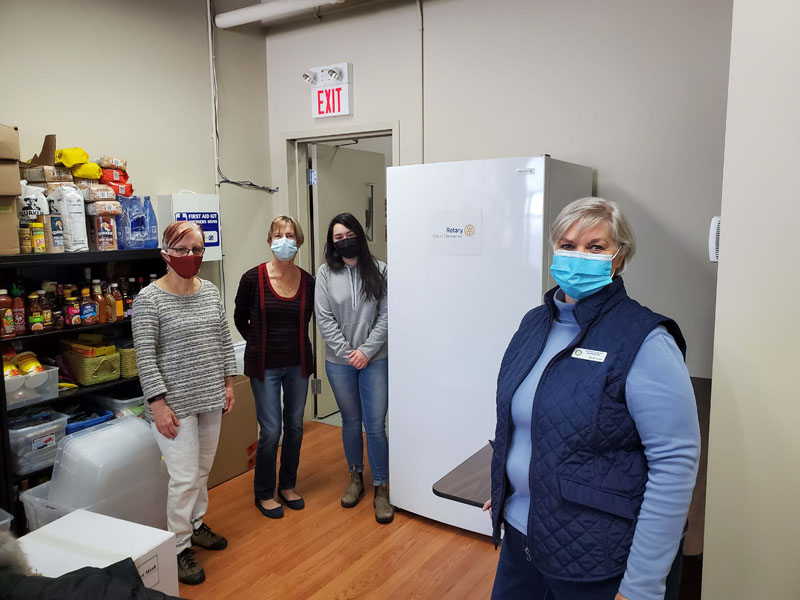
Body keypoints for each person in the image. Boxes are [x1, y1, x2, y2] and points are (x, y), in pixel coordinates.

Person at [484, 197, 701, 600]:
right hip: (520, 536)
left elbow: (674, 464)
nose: (577, 255)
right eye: (567, 245)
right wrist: (507, 485)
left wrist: (641, 586)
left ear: (619, 258)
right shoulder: (535, 323)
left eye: (595, 247)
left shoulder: (644, 339)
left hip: (595, 554)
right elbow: (528, 425)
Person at [132, 221, 237, 586]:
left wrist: (228, 382)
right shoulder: (148, 299)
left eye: (197, 249)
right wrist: (157, 404)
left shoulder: (209, 291)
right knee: (184, 478)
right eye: (182, 250)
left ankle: (195, 524)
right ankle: (178, 547)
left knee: (202, 471)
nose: (191, 256)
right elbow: (144, 358)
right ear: (166, 254)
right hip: (173, 405)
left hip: (210, 395)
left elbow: (223, 340)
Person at [234, 216, 315, 519]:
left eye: (290, 235)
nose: (284, 240)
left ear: (298, 242)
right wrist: (256, 344)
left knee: (294, 427)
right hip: (265, 366)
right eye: (278, 235)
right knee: (271, 431)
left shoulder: (308, 281)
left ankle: (288, 485)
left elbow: (309, 320)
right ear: (269, 241)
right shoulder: (252, 279)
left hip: (298, 364)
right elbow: (240, 318)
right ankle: (264, 492)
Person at [315, 213, 392, 524]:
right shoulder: (324, 274)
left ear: (359, 235)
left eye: (348, 233)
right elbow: (323, 318)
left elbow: (387, 315)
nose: (344, 239)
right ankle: (355, 478)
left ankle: (381, 487)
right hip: (339, 361)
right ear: (332, 244)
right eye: (337, 237)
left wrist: (366, 351)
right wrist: (349, 353)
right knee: (350, 420)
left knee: (374, 425)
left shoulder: (381, 271)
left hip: (376, 359)